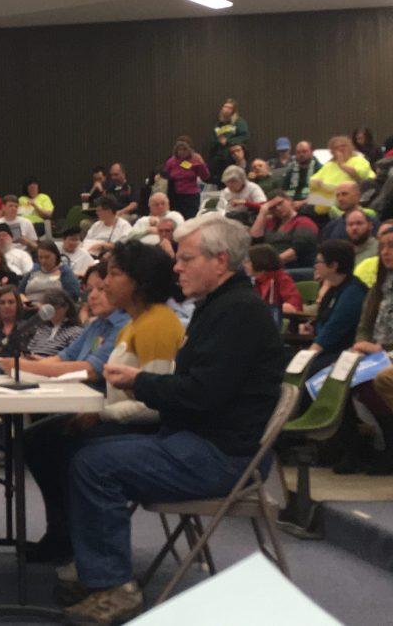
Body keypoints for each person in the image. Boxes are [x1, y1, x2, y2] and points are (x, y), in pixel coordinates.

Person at [62, 216, 282, 623]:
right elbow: (196, 390)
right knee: (84, 449)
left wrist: (139, 382)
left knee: (93, 464)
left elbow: (200, 395)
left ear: (220, 261)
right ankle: (96, 568)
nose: (176, 267)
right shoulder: (221, 307)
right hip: (204, 440)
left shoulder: (238, 314)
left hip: (221, 456)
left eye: (185, 259)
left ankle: (113, 588)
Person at [22, 241, 184, 563]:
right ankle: (63, 535)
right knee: (38, 439)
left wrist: (102, 415)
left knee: (52, 445)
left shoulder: (158, 323)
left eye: (114, 274)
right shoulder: (137, 323)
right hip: (121, 418)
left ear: (140, 280)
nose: (105, 283)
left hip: (148, 431)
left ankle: (70, 540)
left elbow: (156, 404)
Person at [3, 263, 129, 389]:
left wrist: (23, 366)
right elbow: (65, 356)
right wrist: (24, 366)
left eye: (101, 289)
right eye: (89, 290)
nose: (92, 296)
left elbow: (91, 370)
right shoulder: (95, 325)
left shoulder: (124, 325)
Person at [346, 226, 393, 474]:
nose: (386, 252)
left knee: (374, 382)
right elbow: (364, 326)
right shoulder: (378, 288)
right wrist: (361, 345)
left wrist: (380, 348)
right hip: (375, 353)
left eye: (392, 246)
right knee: (342, 373)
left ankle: (387, 446)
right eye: (383, 246)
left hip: (387, 354)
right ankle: (355, 449)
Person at [300, 240, 368, 387]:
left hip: (344, 353)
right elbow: (325, 319)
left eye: (319, 261)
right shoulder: (333, 288)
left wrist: (307, 357)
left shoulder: (353, 293)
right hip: (328, 350)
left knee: (306, 371)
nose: (315, 265)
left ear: (333, 266)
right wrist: (311, 325)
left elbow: (334, 329)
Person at [250, 191, 319, 277]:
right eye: (273, 207)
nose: (278, 208)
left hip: (296, 267)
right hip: (273, 266)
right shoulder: (271, 223)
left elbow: (298, 251)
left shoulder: (304, 221)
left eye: (280, 203)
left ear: (289, 201)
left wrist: (269, 265)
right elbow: (255, 240)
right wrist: (262, 212)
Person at [311, 135, 375, 215]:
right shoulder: (329, 165)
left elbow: (359, 176)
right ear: (332, 152)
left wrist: (341, 164)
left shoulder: (359, 160)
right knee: (307, 209)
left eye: (343, 146)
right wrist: (318, 183)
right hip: (325, 198)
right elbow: (313, 181)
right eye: (336, 147)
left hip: (348, 197)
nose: (340, 149)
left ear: (350, 147)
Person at [24, 289, 83, 357]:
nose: (49, 312)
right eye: (46, 309)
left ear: (65, 307)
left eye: (53, 308)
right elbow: (29, 351)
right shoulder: (42, 329)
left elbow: (72, 359)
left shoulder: (75, 332)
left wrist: (42, 361)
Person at [17, 239, 80, 304]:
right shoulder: (33, 269)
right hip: (29, 306)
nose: (43, 261)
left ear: (56, 256)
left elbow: (73, 295)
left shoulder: (64, 271)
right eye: (40, 257)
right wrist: (25, 301)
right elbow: (19, 291)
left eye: (47, 257)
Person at [246, 244, 301, 314]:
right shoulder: (253, 281)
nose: (245, 265)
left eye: (248, 261)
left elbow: (293, 306)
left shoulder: (282, 279)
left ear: (259, 261)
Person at [164, 139, 210, 219]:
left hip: (191, 196)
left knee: (191, 218)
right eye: (179, 149)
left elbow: (205, 176)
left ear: (190, 150)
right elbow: (166, 175)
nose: (181, 151)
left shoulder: (195, 159)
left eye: (184, 149)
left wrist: (201, 164)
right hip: (175, 196)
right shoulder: (171, 161)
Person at [208, 97, 250, 182]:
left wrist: (228, 142)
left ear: (233, 111)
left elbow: (245, 137)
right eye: (225, 107)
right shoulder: (218, 125)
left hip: (232, 157)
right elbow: (214, 139)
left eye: (229, 108)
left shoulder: (239, 122)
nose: (226, 109)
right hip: (219, 159)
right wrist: (218, 141)